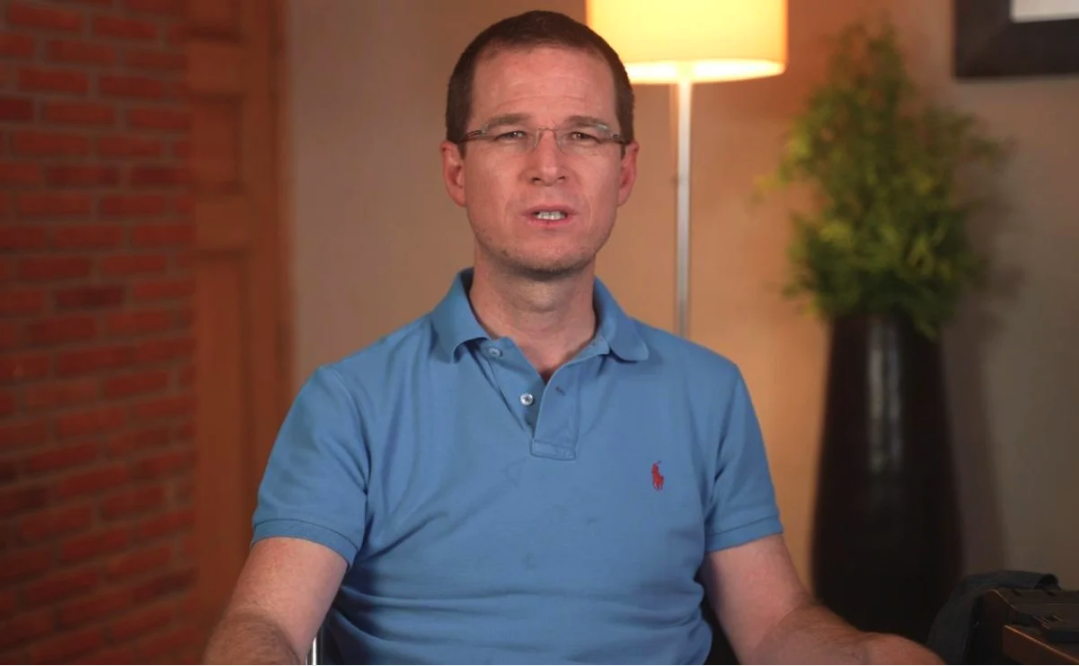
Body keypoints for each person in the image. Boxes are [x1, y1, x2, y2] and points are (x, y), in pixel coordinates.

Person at [203, 10, 944, 665]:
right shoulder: (349, 402)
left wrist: (866, 655)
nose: (548, 167)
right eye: (511, 134)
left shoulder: (708, 392)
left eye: (583, 135)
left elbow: (776, 625)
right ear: (456, 170)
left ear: (624, 171)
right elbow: (264, 624)